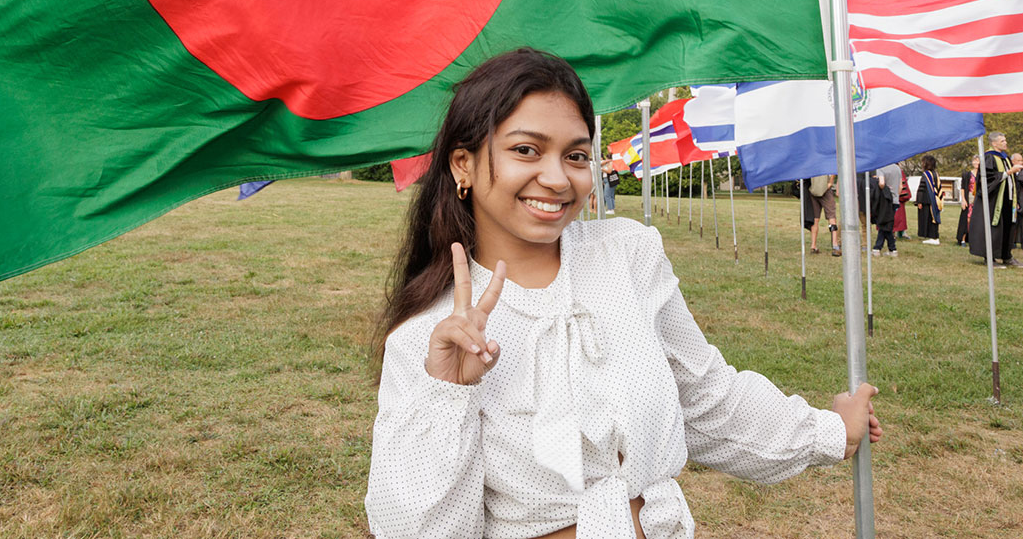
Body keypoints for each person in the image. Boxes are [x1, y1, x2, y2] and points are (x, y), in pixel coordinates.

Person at [366, 49, 883, 538]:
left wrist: (829, 431)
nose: (556, 178)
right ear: (463, 164)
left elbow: (704, 397)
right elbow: (419, 528)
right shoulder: (428, 338)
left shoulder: (626, 255)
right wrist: (448, 394)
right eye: (526, 150)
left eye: (575, 155)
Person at [969, 132, 1023, 267]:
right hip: (994, 200)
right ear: (994, 143)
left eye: (1005, 140)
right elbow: (988, 179)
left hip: (1007, 198)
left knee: (1007, 228)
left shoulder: (1004, 158)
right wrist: (1010, 172)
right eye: (1002, 141)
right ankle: (990, 258)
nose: (1006, 143)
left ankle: (1006, 256)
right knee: (994, 229)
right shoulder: (989, 158)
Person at [802, 174, 838, 256]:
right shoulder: (827, 161)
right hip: (826, 190)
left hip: (813, 190)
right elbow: (833, 171)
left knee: (815, 219)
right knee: (831, 218)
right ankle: (835, 246)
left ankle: (813, 246)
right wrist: (830, 183)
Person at [915, 155, 943, 244]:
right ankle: (934, 236)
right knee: (933, 217)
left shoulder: (926, 175)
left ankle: (933, 237)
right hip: (935, 199)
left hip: (927, 200)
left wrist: (919, 201)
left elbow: (922, 189)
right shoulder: (935, 173)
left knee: (930, 218)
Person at [956, 155, 978, 246]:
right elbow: (963, 188)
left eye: (978, 160)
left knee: (976, 220)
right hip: (969, 198)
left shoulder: (983, 175)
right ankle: (963, 239)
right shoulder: (967, 174)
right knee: (967, 219)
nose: (977, 163)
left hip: (978, 199)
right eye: (975, 160)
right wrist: (963, 200)